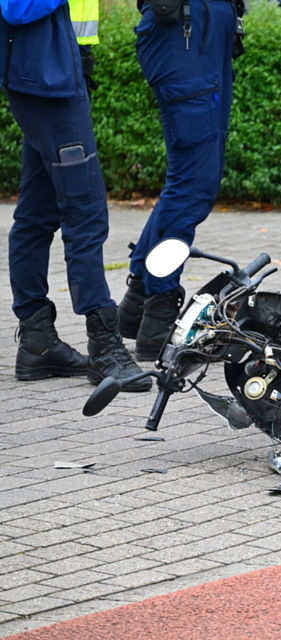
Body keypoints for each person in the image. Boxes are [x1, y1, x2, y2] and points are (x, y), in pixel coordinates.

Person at [2, 0, 150, 391]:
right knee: (84, 211)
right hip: (44, 78)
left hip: (53, 72)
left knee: (37, 211)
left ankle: (38, 343)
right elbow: (16, 7)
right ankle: (105, 347)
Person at [118, 0, 244, 361]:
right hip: (185, 29)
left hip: (204, 26)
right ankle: (159, 314)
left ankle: (139, 305)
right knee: (192, 185)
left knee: (191, 182)